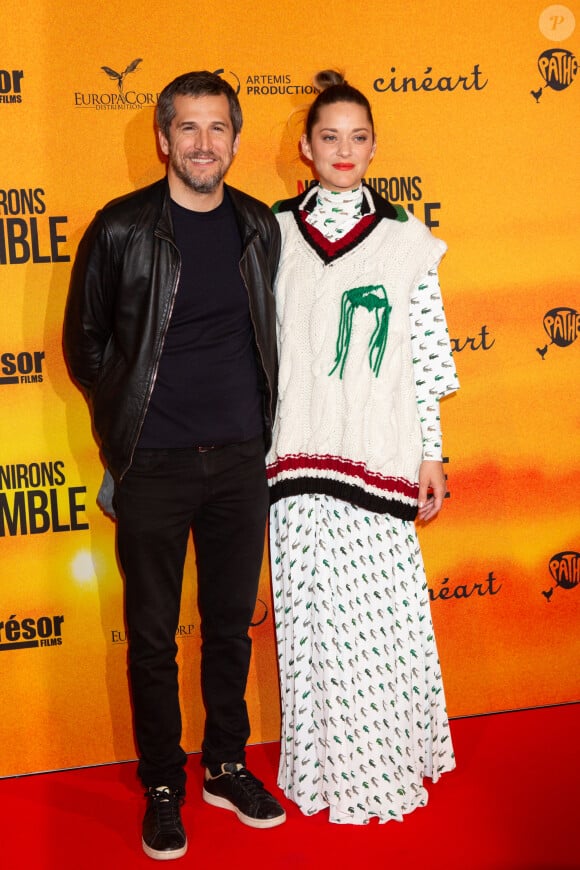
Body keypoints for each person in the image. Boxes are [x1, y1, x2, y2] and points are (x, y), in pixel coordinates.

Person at [63, 70, 286, 861]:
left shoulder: (260, 227)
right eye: (187, 128)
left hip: (238, 462)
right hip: (152, 464)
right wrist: (134, 422)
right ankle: (164, 781)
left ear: (234, 137)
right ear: (163, 139)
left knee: (230, 626)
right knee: (153, 635)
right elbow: (83, 345)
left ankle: (226, 764)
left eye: (216, 128)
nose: (202, 143)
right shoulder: (120, 228)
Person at [266, 70, 459, 825]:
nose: (343, 150)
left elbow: (427, 362)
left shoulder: (410, 244)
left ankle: (387, 766)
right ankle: (320, 772)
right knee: (311, 629)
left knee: (380, 631)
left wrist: (432, 455)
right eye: (328, 137)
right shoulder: (273, 233)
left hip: (379, 462)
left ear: (374, 148)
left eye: (357, 137)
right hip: (295, 465)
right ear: (306, 149)